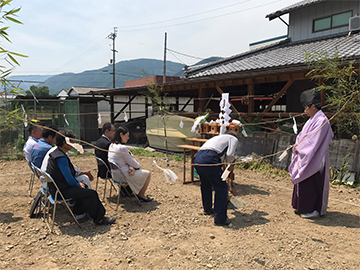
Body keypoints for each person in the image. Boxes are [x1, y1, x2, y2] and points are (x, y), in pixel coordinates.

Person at [46, 129, 116, 225]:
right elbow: (69, 178)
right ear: (64, 142)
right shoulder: (61, 158)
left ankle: (80, 213)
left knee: (83, 189)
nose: (73, 143)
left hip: (56, 188)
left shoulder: (56, 153)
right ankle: (99, 218)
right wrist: (77, 184)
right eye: (71, 141)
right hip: (61, 191)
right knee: (91, 193)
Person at [288, 89, 334, 218]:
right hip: (306, 154)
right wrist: (297, 145)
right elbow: (302, 137)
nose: (305, 111)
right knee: (303, 182)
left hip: (315, 157)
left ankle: (311, 209)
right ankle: (301, 206)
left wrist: (300, 148)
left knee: (311, 182)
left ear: (313, 106)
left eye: (306, 108)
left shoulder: (321, 121)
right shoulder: (312, 119)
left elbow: (313, 141)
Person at [193, 130, 238, 226]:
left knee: (206, 184)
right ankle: (220, 219)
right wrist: (231, 164)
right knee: (221, 187)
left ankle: (207, 209)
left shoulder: (216, 138)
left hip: (198, 158)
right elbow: (230, 154)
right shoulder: (233, 138)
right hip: (210, 158)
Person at [108, 126, 152, 202]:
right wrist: (134, 167)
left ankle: (136, 192)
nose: (128, 138)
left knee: (135, 170)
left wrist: (132, 167)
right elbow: (135, 164)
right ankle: (141, 195)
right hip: (123, 175)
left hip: (115, 174)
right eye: (127, 136)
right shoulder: (122, 148)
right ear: (121, 135)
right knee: (148, 174)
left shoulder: (111, 146)